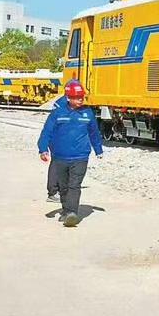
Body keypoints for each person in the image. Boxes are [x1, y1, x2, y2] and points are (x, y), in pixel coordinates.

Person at [37, 80, 103, 227]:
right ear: (68, 97)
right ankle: (66, 211)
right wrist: (43, 149)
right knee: (64, 186)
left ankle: (72, 213)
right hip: (60, 156)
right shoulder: (58, 113)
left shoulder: (88, 113)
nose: (80, 100)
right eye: (77, 97)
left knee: (74, 185)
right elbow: (47, 132)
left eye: (81, 97)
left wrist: (98, 149)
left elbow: (94, 133)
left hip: (80, 156)